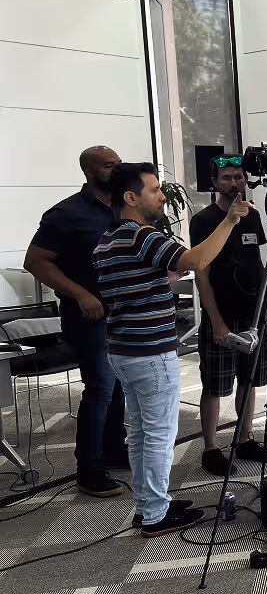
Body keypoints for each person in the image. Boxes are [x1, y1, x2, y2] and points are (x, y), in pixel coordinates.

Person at [94, 162, 251, 536]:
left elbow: (134, 280)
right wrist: (230, 220)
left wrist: (164, 274)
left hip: (124, 350)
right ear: (131, 197)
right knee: (159, 436)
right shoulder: (141, 235)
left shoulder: (108, 239)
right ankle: (155, 516)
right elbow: (196, 261)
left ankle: (150, 505)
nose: (162, 197)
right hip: (149, 353)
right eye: (154, 190)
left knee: (141, 433)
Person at [24, 146, 129, 497]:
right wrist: (81, 294)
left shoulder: (125, 207)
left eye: (119, 164)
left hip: (123, 313)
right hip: (89, 316)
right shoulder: (66, 213)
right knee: (100, 388)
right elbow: (36, 262)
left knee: (119, 386)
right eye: (109, 166)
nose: (117, 170)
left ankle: (113, 449)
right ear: (89, 172)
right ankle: (90, 468)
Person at [190, 154, 267, 476]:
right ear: (214, 183)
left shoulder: (253, 216)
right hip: (221, 315)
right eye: (226, 177)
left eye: (239, 176)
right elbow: (201, 274)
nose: (234, 182)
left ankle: (245, 439)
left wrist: (266, 309)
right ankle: (211, 448)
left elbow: (257, 262)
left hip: (252, 315)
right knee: (214, 386)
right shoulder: (204, 220)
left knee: (249, 381)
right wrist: (216, 322)